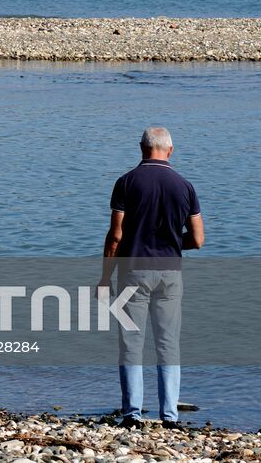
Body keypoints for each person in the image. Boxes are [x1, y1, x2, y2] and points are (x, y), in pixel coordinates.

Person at [98, 126, 205, 429]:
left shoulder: (126, 182)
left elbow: (116, 236)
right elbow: (197, 239)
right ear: (170, 150)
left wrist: (105, 277)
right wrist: (172, 243)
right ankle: (169, 416)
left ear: (142, 148)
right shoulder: (185, 186)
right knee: (168, 344)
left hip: (134, 270)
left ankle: (133, 414)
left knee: (131, 343)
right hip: (171, 272)